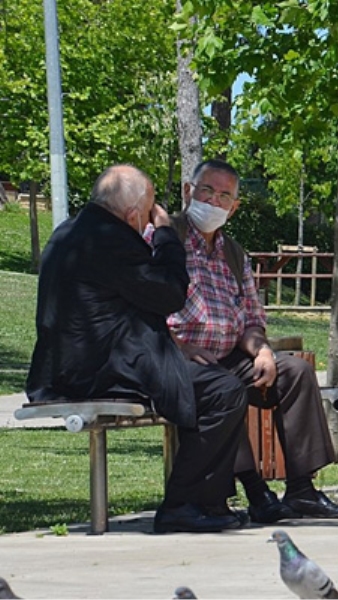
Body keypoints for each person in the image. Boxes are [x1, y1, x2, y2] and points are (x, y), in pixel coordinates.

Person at [27, 164, 248, 533]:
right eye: (147, 212)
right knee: (223, 390)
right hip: (99, 370)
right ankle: (183, 503)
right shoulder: (111, 241)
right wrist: (165, 236)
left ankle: (206, 501)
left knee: (212, 384)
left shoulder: (70, 232)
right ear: (132, 214)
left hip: (74, 366)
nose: (149, 219)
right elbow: (170, 293)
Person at [167, 159, 338, 521]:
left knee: (295, 372)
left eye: (224, 196)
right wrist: (180, 346)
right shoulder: (164, 238)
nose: (214, 201)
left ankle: (302, 489)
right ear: (188, 191)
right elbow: (140, 310)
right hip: (179, 359)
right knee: (223, 388)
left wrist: (263, 351)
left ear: (234, 207)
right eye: (206, 190)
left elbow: (252, 320)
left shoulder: (235, 254)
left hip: (228, 355)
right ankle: (254, 489)